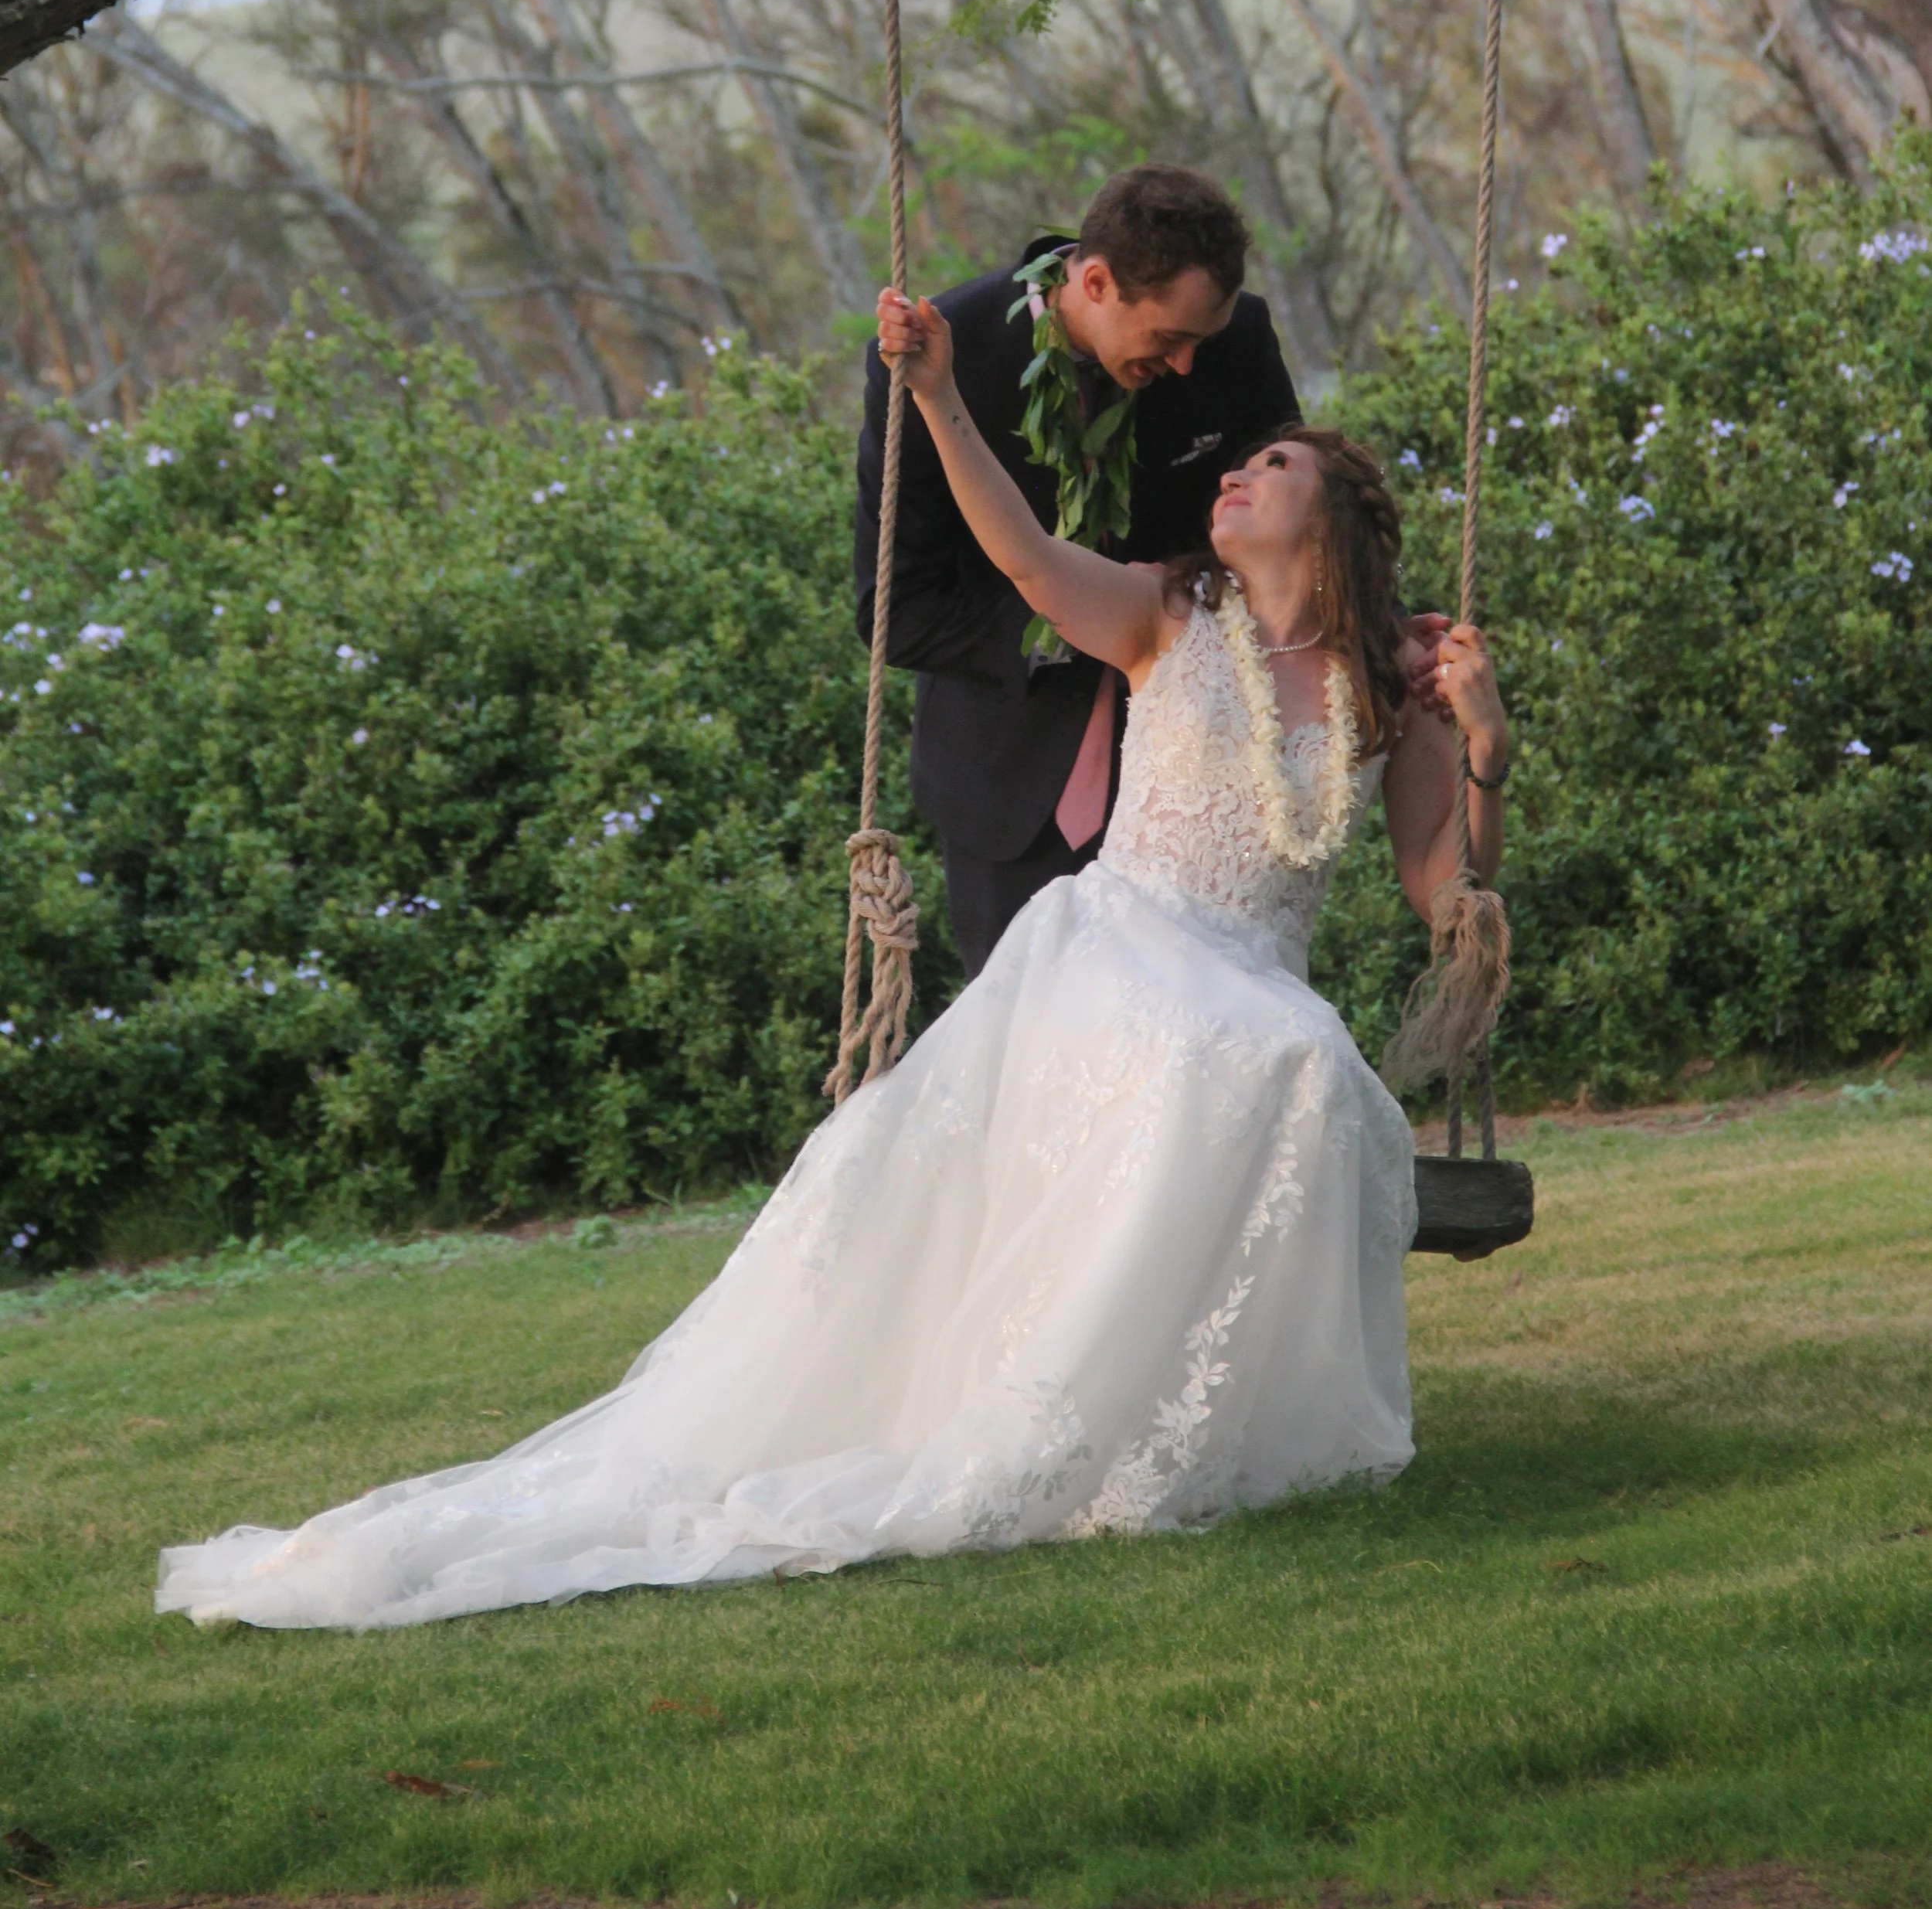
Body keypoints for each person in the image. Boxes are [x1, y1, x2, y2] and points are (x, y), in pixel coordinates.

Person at [154, 290, 1510, 1628]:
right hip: (1123, 945)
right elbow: (1031, 560)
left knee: (1292, 1061)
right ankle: (1056, 1413)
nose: (1235, 476)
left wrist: (1487, 753)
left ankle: (1170, 1418)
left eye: (1272, 466)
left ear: (1330, 517)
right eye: (1242, 461)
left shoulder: (1393, 688)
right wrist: (933, 398)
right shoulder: (1167, 614)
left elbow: (1440, 881)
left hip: (1252, 972)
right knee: (1259, 1059)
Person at [855, 162, 1300, 975]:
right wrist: (1076, 622)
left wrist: (1383, 632)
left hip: (1193, 775)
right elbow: (897, 609)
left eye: (1201, 342)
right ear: (1094, 280)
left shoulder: (1233, 345)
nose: (1186, 366)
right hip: (1007, 788)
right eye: (1169, 340)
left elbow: (1303, 531)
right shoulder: (943, 357)